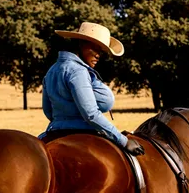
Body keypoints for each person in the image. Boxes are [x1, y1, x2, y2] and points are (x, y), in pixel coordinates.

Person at [41, 22, 145, 156]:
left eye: (100, 51)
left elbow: (48, 110)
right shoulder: (78, 71)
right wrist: (123, 141)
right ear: (81, 44)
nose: (98, 55)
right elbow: (90, 114)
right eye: (95, 49)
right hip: (83, 132)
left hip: (54, 131)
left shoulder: (52, 70)